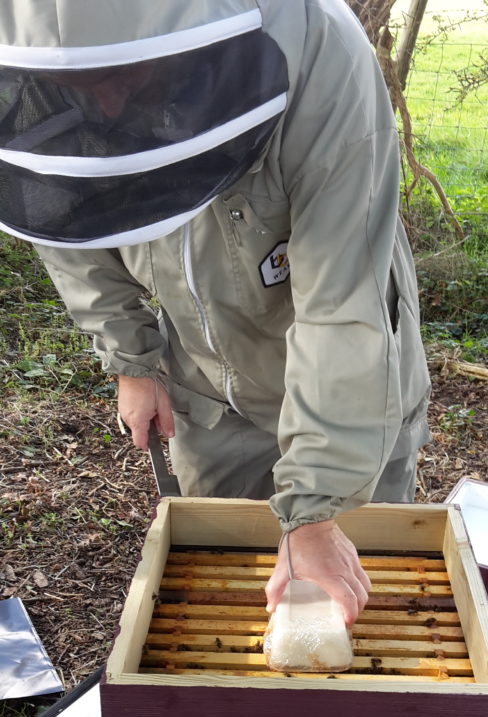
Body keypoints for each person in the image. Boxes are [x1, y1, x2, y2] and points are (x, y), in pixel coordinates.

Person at [0, 0, 430, 626]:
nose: (111, 107)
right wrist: (131, 358)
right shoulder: (29, 46)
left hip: (349, 387)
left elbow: (342, 304)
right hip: (207, 388)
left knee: (347, 602)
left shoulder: (319, 51)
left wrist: (315, 509)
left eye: (126, 78)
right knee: (230, 591)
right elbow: (66, 215)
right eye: (80, 87)